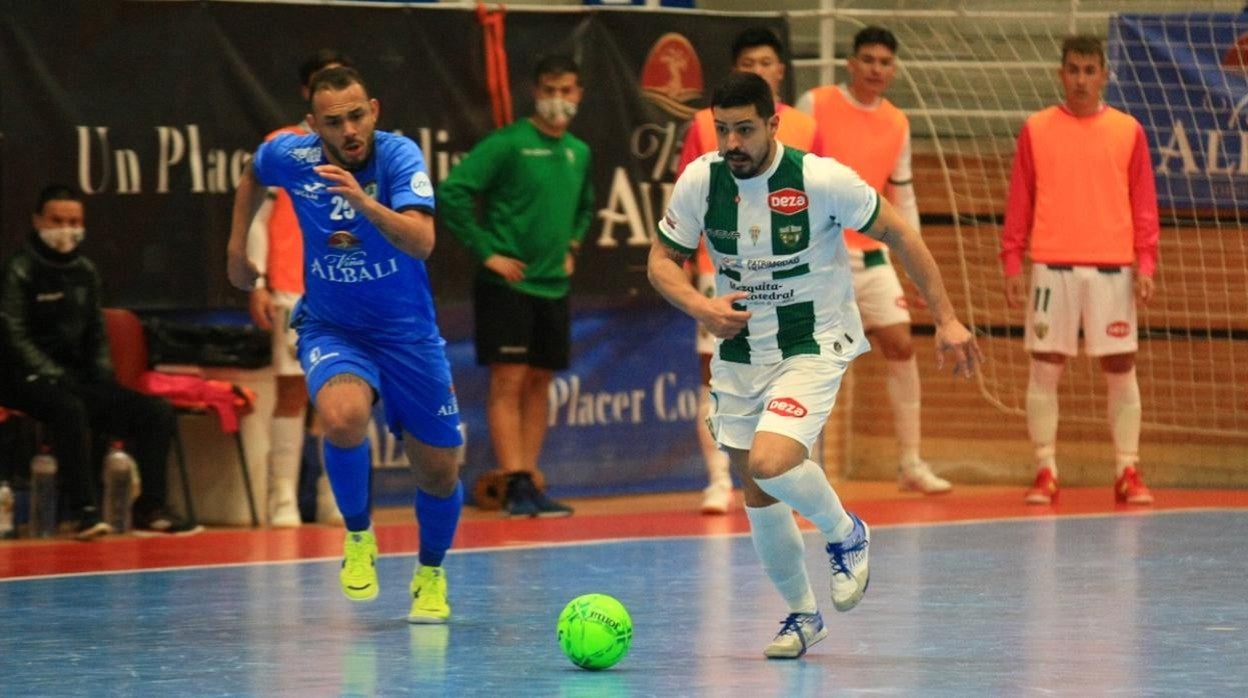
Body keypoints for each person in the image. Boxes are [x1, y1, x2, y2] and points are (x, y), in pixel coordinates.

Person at [649, 72, 980, 659]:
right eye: (722, 130)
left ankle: (846, 531)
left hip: (813, 342)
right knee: (756, 488)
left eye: (744, 129)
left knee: (774, 461)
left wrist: (948, 318)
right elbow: (662, 261)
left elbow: (902, 235)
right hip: (741, 352)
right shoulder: (702, 180)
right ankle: (803, 615)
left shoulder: (820, 179)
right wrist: (701, 306)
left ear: (774, 124)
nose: (732, 143)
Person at [226, 66, 463, 622]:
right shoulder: (293, 155)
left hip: (407, 333)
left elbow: (423, 241)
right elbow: (251, 173)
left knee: (439, 470)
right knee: (341, 416)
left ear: (374, 110)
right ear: (314, 125)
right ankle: (359, 536)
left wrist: (364, 203)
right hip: (334, 326)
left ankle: (430, 573)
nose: (350, 129)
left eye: (358, 116)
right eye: (334, 122)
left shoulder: (399, 156)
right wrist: (238, 251)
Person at [1001, 35, 1159, 506]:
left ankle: (1127, 469)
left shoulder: (1129, 130)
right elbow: (1020, 200)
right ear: (1060, 73)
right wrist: (1012, 259)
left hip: (1114, 270)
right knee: (1045, 368)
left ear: (1104, 75)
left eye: (1090, 70)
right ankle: (1045, 468)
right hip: (1052, 268)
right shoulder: (1037, 128)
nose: (1081, 79)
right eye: (1073, 69)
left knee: (1120, 366)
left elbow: (1144, 205)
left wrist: (1146, 261)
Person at [797, 26, 950, 495]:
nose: (876, 69)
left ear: (893, 69)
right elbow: (793, 179)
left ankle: (910, 463)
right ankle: (802, 469)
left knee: (901, 346)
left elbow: (903, 197)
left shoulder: (898, 122)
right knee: (813, 360)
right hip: (821, 256)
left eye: (884, 62)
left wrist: (917, 265)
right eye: (867, 60)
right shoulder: (815, 103)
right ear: (850, 63)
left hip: (874, 255)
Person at [439, 54, 593, 518]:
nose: (558, 99)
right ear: (536, 92)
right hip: (507, 285)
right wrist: (487, 252)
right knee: (508, 379)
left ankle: (532, 478)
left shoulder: (579, 152)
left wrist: (572, 244)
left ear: (579, 95)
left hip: (553, 286)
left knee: (540, 380)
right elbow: (453, 191)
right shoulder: (507, 144)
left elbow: (585, 207)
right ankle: (515, 483)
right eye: (550, 89)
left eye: (567, 90)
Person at [0, 184, 200, 539]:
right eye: (57, 220)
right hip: (23, 379)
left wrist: (103, 378)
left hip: (78, 377)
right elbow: (14, 336)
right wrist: (54, 375)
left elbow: (96, 333)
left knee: (155, 412)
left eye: (74, 220)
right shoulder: (19, 269)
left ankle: (150, 509)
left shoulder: (85, 272)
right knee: (69, 408)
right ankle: (84, 512)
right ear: (37, 221)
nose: (66, 228)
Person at [677, 27, 819, 515]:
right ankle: (719, 480)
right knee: (714, 375)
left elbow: (819, 205)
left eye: (766, 62)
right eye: (748, 63)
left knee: (797, 368)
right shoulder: (703, 124)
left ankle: (796, 478)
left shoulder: (804, 125)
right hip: (721, 271)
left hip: (790, 276)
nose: (758, 70)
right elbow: (685, 199)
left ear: (780, 71)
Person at [246, 48, 351, 528]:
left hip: (344, 287)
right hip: (291, 287)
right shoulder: (282, 147)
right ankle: (282, 499)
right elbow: (257, 218)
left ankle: (333, 497)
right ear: (307, 93)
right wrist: (260, 281)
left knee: (337, 392)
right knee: (293, 392)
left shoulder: (361, 147)